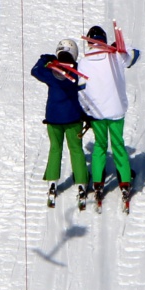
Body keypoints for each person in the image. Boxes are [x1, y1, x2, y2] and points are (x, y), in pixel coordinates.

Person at [79, 24, 140, 211]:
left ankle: (97, 182)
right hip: (116, 111)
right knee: (118, 145)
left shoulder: (83, 62)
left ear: (89, 42)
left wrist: (86, 111)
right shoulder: (117, 57)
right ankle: (125, 181)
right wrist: (122, 47)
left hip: (96, 113)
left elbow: (81, 90)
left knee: (99, 146)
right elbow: (135, 54)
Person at [31, 39, 89, 209]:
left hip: (53, 119)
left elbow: (35, 71)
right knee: (76, 150)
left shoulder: (50, 72)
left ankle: (52, 183)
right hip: (73, 119)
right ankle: (81, 183)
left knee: (55, 148)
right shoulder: (78, 71)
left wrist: (45, 58)